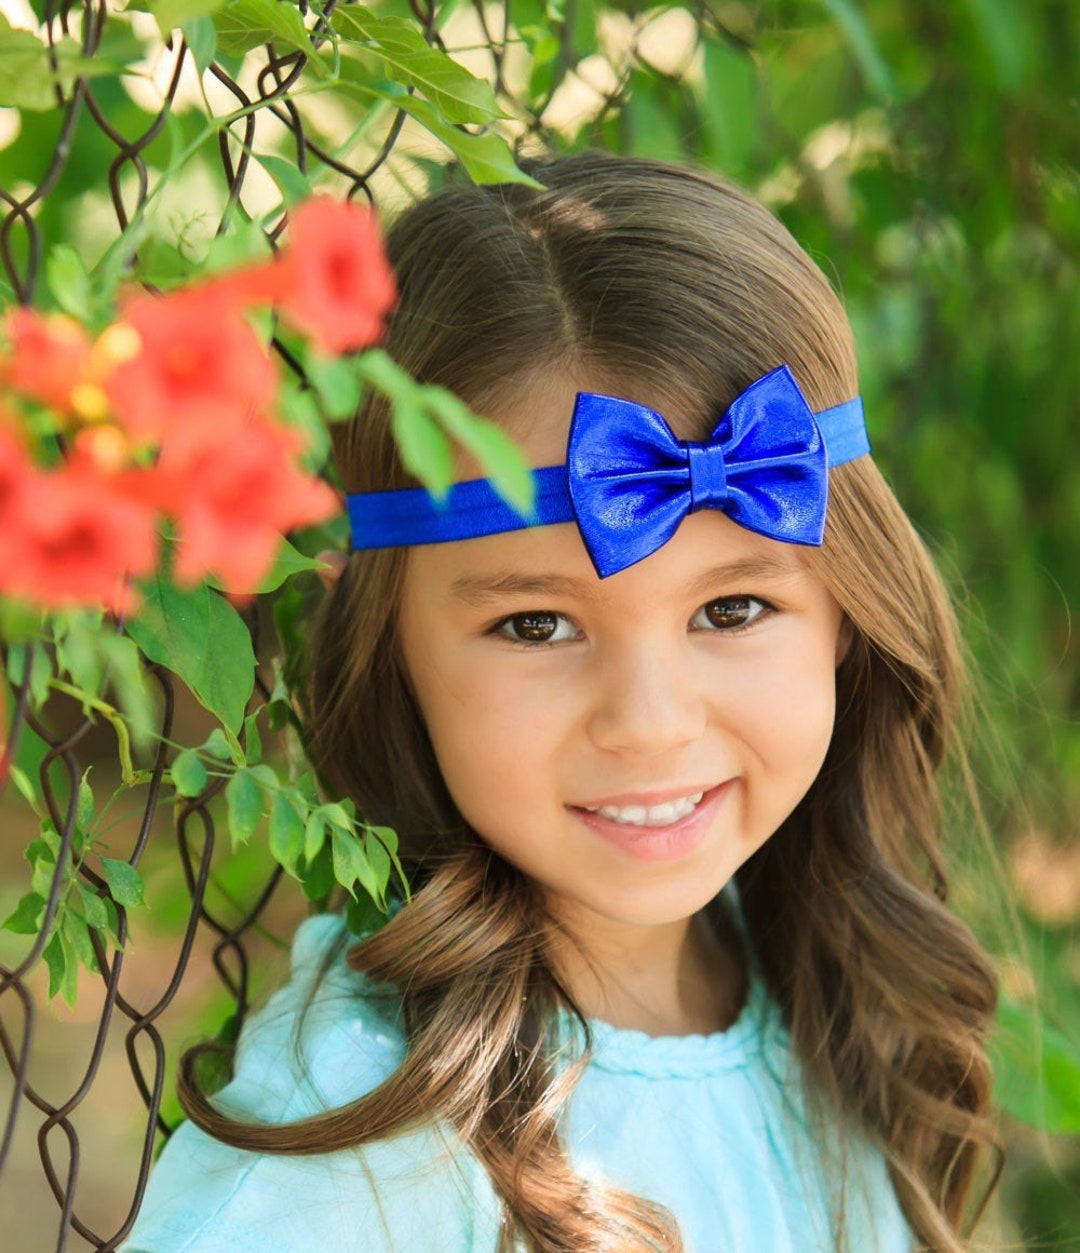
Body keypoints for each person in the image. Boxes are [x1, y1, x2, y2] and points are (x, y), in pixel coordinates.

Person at [120, 151, 1004, 1253]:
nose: (650, 720)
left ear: (847, 613)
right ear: (386, 641)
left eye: (731, 609)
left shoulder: (815, 987)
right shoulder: (364, 1144)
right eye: (535, 625)